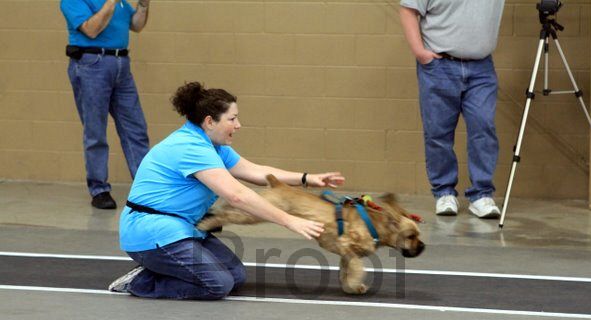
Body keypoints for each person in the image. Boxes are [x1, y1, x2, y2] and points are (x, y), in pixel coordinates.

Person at [109, 82, 346, 300]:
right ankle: (141, 282)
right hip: (152, 233)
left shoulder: (212, 145)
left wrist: (307, 178)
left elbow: (255, 171)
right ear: (210, 121)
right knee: (217, 285)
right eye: (232, 119)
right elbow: (237, 195)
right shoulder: (190, 147)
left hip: (181, 228)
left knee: (236, 276)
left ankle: (163, 268)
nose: (238, 125)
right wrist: (289, 221)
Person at [399, 0, 505, 218]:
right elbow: (408, 11)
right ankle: (444, 192)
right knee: (438, 132)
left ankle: (481, 194)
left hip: (481, 66)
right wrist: (420, 52)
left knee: (483, 127)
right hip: (439, 65)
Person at [60, 0, 151, 209]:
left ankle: (147, 187)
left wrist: (144, 6)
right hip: (92, 64)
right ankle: (99, 190)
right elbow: (91, 30)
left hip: (121, 64)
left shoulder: (120, 4)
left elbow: (136, 25)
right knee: (95, 131)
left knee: (136, 129)